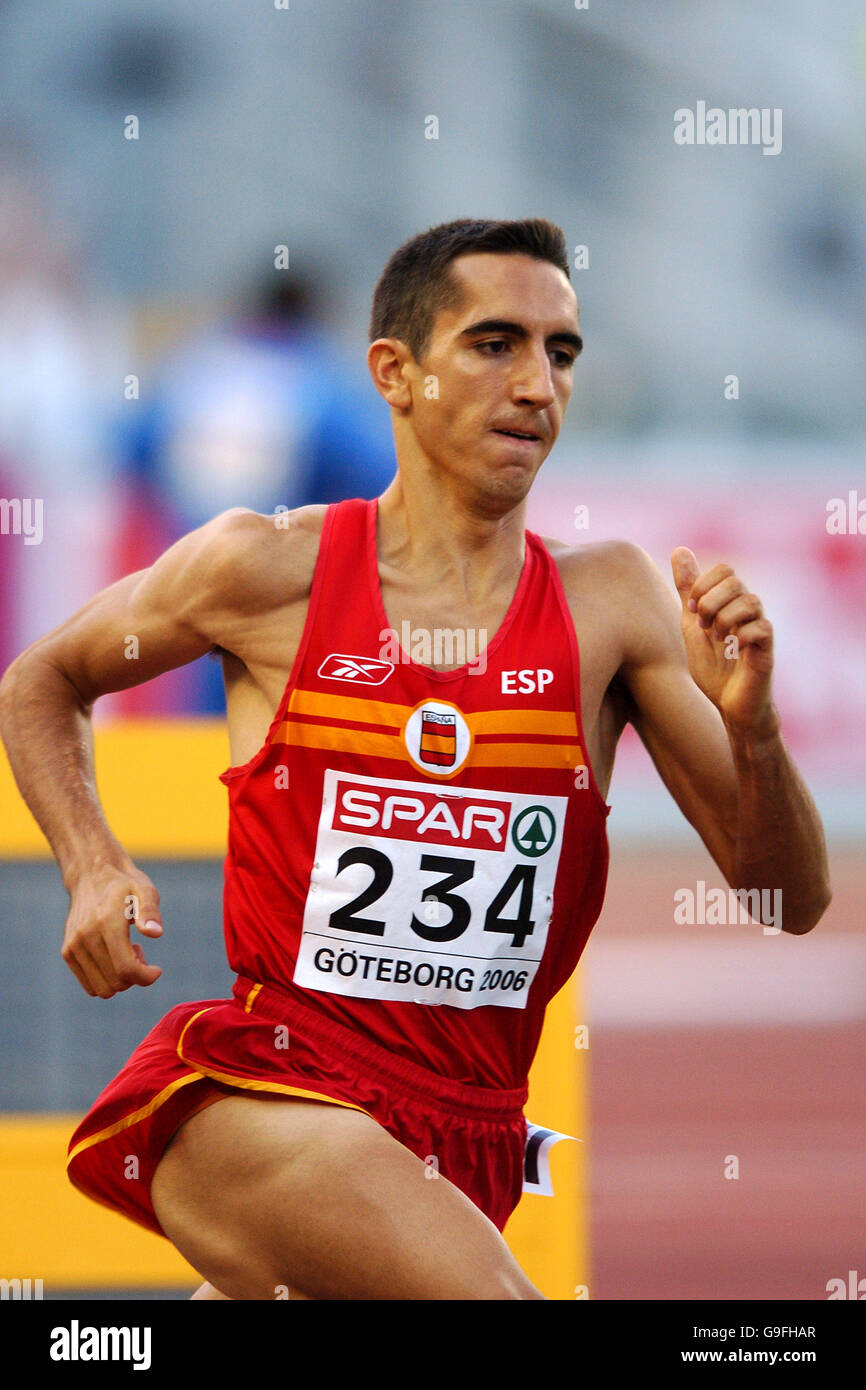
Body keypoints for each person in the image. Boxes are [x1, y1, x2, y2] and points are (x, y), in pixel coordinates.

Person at [0, 218, 831, 1301]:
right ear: (394, 372)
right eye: (494, 344)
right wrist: (93, 863)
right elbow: (40, 681)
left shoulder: (611, 603)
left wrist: (755, 732)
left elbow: (786, 897)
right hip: (270, 1103)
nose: (536, 383)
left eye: (561, 351)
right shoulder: (266, 570)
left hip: (465, 1140)